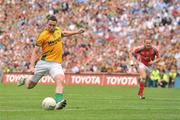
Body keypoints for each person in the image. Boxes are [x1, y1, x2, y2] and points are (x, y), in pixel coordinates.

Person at [17, 15, 84, 110]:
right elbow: (35, 51)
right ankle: (25, 80)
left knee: (60, 79)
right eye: (50, 25)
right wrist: (32, 66)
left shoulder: (57, 30)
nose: (52, 27)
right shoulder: (42, 35)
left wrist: (76, 32)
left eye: (53, 25)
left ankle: (58, 103)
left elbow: (64, 33)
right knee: (30, 86)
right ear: (47, 24)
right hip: (43, 63)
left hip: (55, 64)